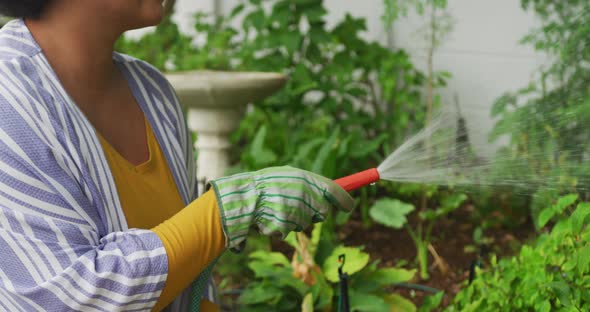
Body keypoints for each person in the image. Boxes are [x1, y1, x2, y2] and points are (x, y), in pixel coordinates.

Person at [0, 1, 354, 311]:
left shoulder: (152, 92)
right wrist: (225, 211)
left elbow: (187, 273)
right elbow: (69, 300)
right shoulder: (8, 101)